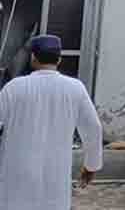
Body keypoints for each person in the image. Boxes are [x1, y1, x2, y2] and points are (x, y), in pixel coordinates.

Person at [0, 34, 103, 210]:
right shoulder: (75, 88)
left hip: (16, 178)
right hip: (55, 179)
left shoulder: (14, 88)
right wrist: (91, 165)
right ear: (59, 59)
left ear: (33, 57)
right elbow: (93, 129)